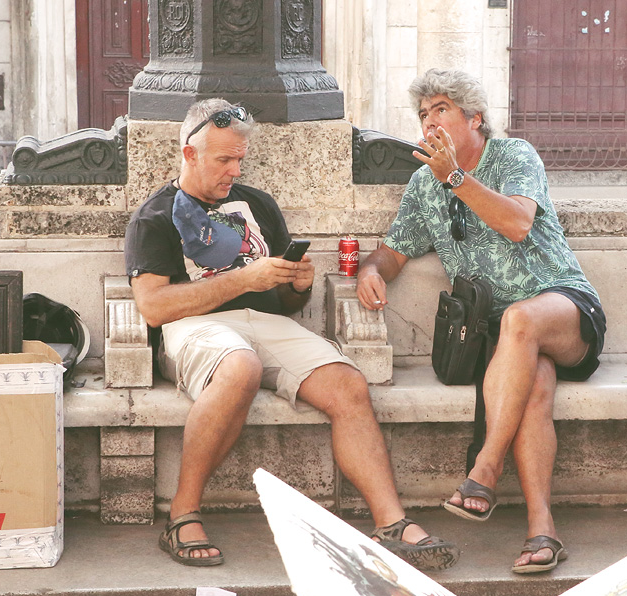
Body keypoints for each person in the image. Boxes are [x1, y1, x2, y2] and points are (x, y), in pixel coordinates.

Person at [125, 98, 458, 571]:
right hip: (194, 327)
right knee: (241, 367)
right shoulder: (155, 216)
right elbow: (154, 307)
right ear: (189, 154)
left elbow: (284, 299)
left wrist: (297, 286)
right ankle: (182, 512)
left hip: (267, 324)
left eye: (240, 159)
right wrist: (242, 279)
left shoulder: (257, 203)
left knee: (347, 382)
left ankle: (392, 525)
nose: (234, 170)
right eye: (224, 160)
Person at [356, 69, 606, 575]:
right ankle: (543, 531)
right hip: (504, 342)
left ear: (475, 118)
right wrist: (370, 271)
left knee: (519, 321)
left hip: (564, 309)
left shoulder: (514, 156)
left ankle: (484, 469)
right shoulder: (425, 185)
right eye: (423, 114)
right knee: (533, 381)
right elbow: (393, 251)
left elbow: (516, 222)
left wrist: (456, 177)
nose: (430, 122)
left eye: (441, 109)